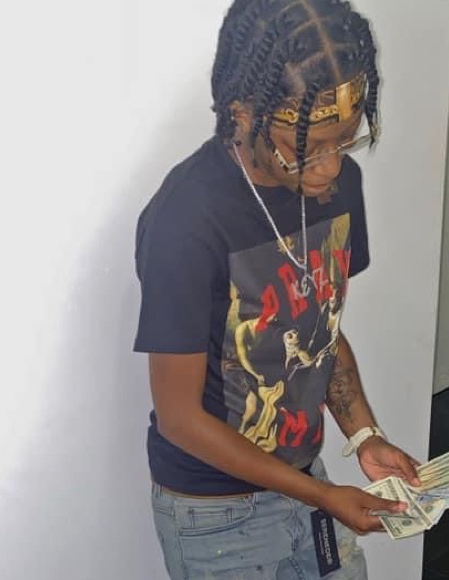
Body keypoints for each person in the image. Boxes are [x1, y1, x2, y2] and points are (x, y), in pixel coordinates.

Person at [134, 1, 421, 578]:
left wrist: (364, 435)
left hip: (303, 480)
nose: (330, 167)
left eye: (345, 140)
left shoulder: (338, 188)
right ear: (243, 115)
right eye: (307, 148)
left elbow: (320, 327)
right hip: (216, 517)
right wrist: (322, 495)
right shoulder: (186, 219)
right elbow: (178, 418)